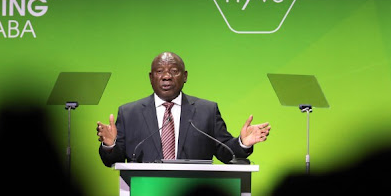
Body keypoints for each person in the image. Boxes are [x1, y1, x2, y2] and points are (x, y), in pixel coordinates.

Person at [97, 51, 271, 165]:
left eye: (174, 71)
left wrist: (243, 143)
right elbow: (114, 159)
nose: (166, 76)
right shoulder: (129, 113)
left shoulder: (206, 111)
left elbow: (226, 152)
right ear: (151, 77)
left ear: (185, 76)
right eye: (159, 72)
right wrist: (110, 145)